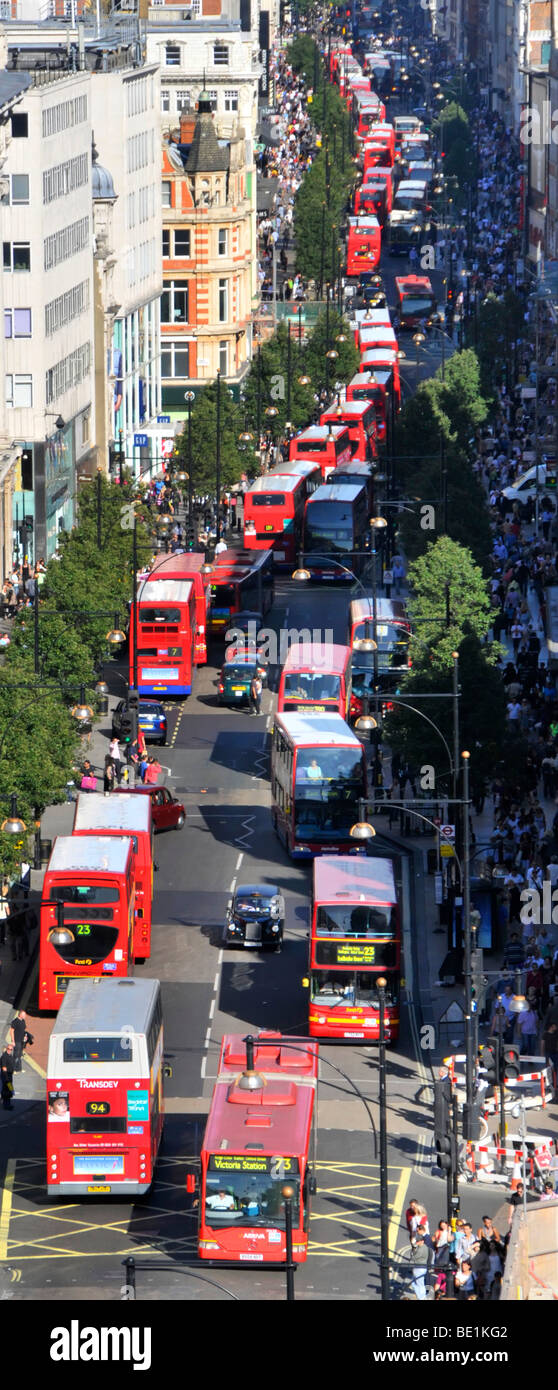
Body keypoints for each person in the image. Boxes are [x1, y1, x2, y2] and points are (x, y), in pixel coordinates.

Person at [0, 1042, 15, 1109]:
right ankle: (6, 1106)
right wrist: (6, 1078)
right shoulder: (4, 1057)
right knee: (6, 1091)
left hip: (9, 1076)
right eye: (8, 1049)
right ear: (6, 1049)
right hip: (6, 1076)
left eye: (10, 1049)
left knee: (10, 1090)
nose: (9, 1050)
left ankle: (7, 1103)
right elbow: (4, 1068)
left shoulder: (10, 1056)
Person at [0, 877, 10, 947]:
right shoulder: (4, 899)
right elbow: (7, 909)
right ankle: (2, 940)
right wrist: (9, 914)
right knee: (3, 929)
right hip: (3, 916)